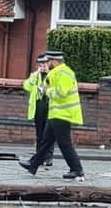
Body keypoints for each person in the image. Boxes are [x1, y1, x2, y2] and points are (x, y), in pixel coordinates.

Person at [19, 50, 84, 180]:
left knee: (64, 143)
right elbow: (41, 85)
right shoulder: (56, 73)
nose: (46, 64)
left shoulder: (65, 73)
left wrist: (46, 91)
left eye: (48, 61)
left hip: (63, 114)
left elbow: (60, 93)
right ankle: (33, 164)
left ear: (55, 62)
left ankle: (77, 169)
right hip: (55, 114)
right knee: (46, 141)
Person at [23, 53, 54, 166]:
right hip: (38, 107)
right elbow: (26, 86)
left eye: (45, 63)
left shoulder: (53, 74)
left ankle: (48, 158)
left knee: (49, 134)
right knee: (40, 134)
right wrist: (35, 76)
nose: (43, 66)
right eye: (41, 64)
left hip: (50, 107)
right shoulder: (35, 75)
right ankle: (39, 157)